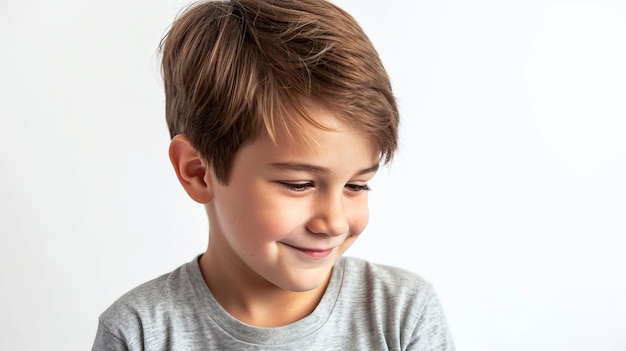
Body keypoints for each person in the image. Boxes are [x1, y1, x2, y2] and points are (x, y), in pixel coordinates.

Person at [92, 0, 454, 349]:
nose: (333, 222)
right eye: (299, 184)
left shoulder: (404, 315)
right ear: (198, 172)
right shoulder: (139, 332)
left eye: (357, 185)